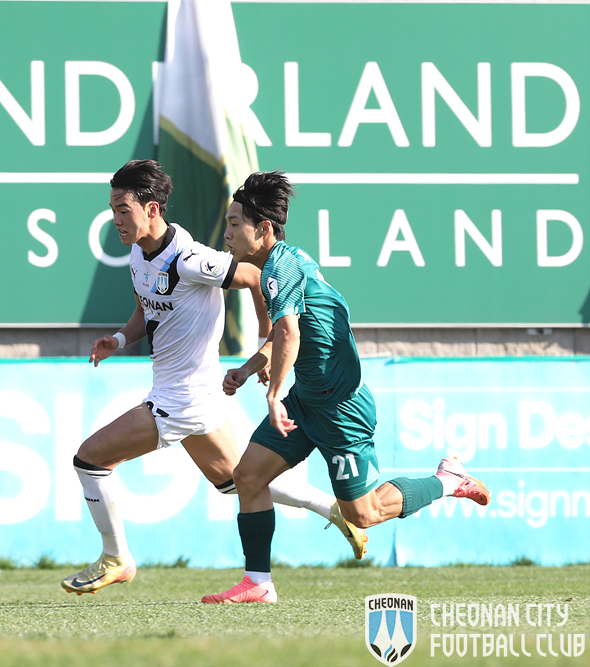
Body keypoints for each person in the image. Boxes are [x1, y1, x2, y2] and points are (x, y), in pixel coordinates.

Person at [62, 160, 367, 596]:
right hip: (192, 395)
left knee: (90, 460)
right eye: (112, 210)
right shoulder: (138, 254)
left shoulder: (190, 259)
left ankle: (116, 558)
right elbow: (145, 311)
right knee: (235, 481)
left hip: (182, 399)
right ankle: (332, 509)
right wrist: (119, 338)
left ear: (152, 209)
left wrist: (264, 343)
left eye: (122, 210)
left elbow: (257, 277)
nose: (116, 220)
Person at [202, 170, 491, 604]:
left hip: (340, 409)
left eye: (234, 223)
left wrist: (273, 393)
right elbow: (288, 333)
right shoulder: (281, 265)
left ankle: (448, 480)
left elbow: (289, 333)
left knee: (365, 513)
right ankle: (258, 582)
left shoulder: (279, 266)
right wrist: (248, 369)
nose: (226, 233)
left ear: (263, 229)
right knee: (247, 476)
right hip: (307, 401)